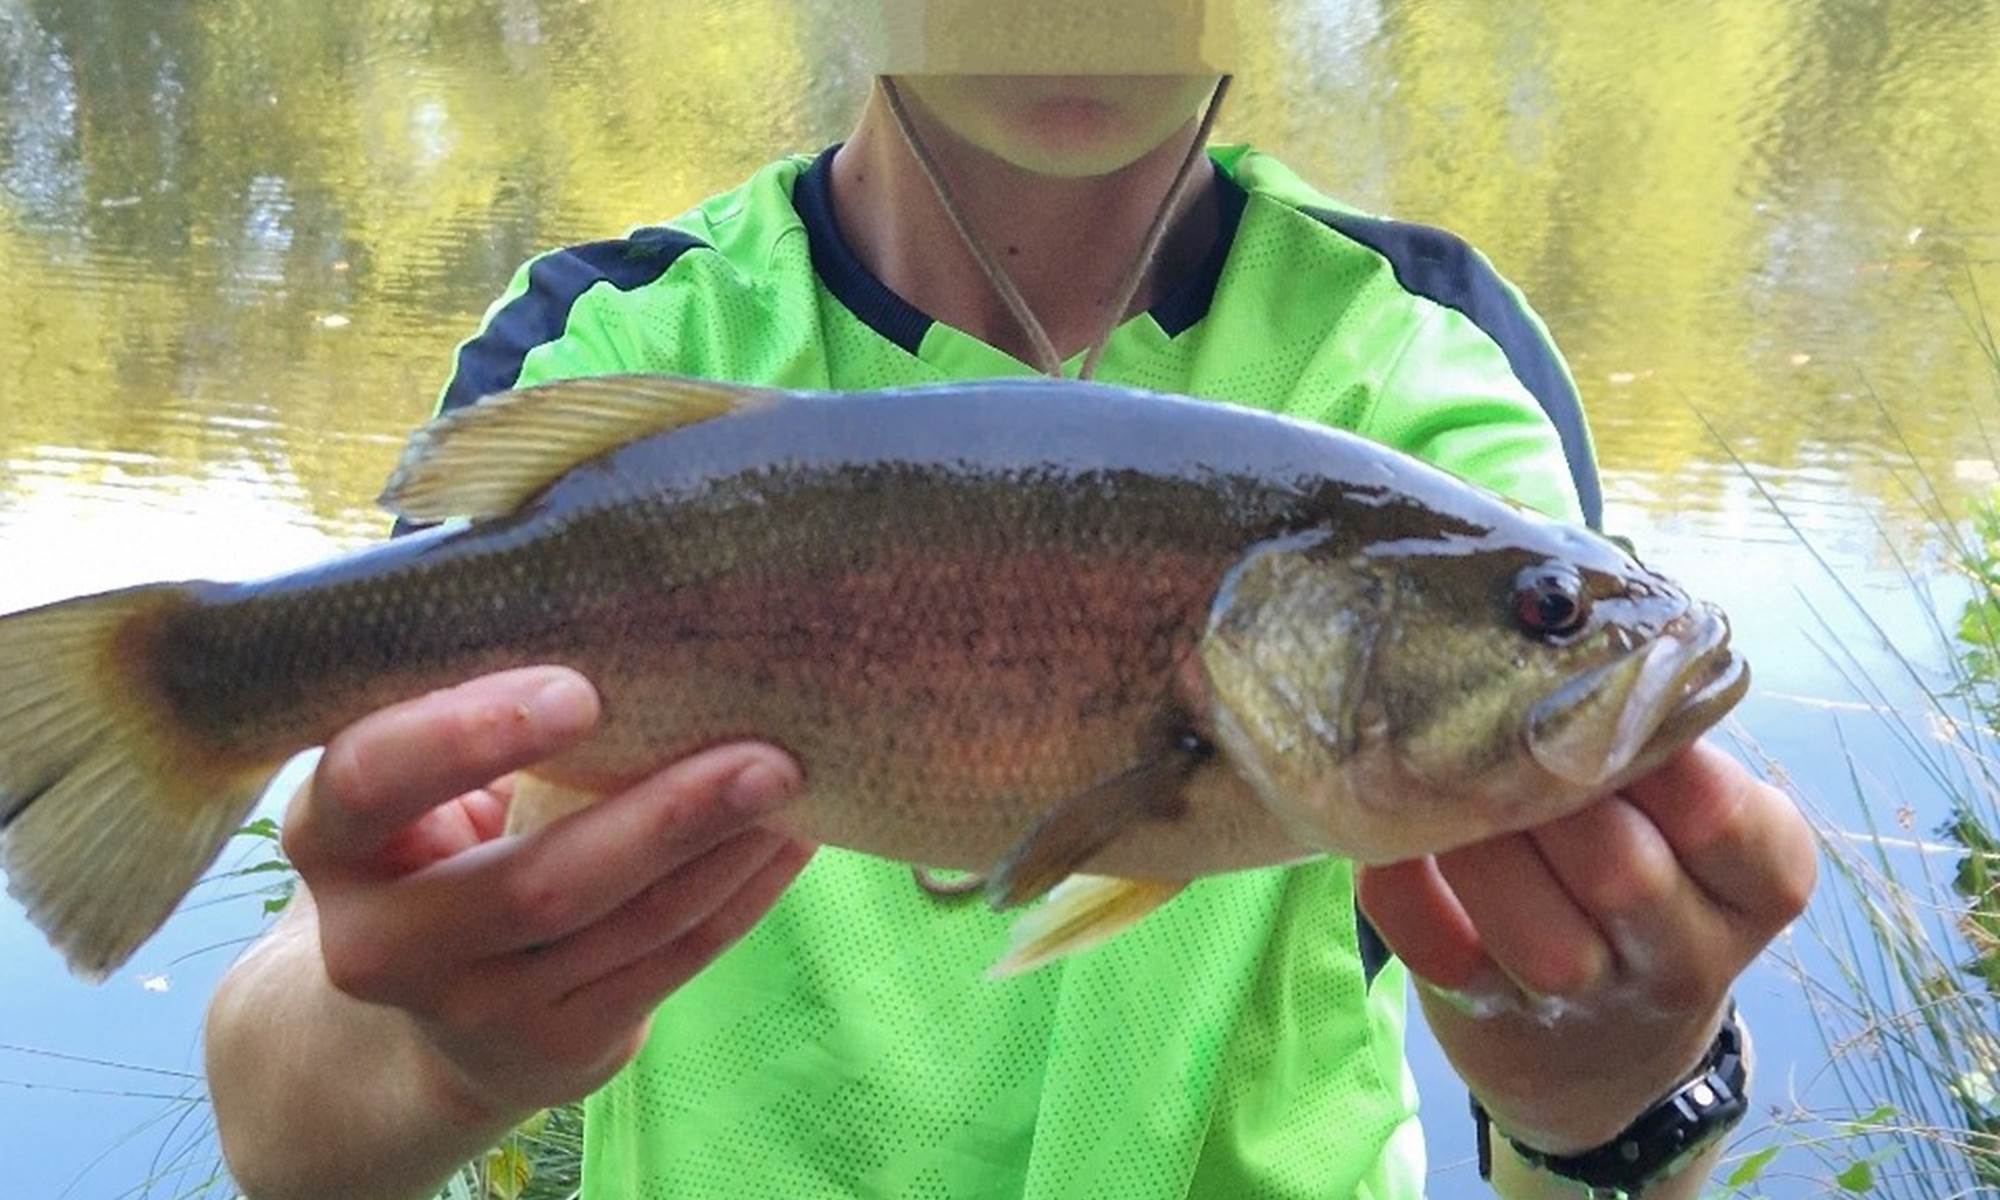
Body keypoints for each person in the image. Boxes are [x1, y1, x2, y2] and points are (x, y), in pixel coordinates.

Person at [203, 4, 1817, 1197]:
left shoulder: (1424, 377)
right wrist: (440, 1047)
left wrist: (1617, 1090)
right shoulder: (612, 344)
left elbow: (1581, 1145)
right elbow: (278, 1126)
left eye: (1544, 613)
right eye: (1543, 614)